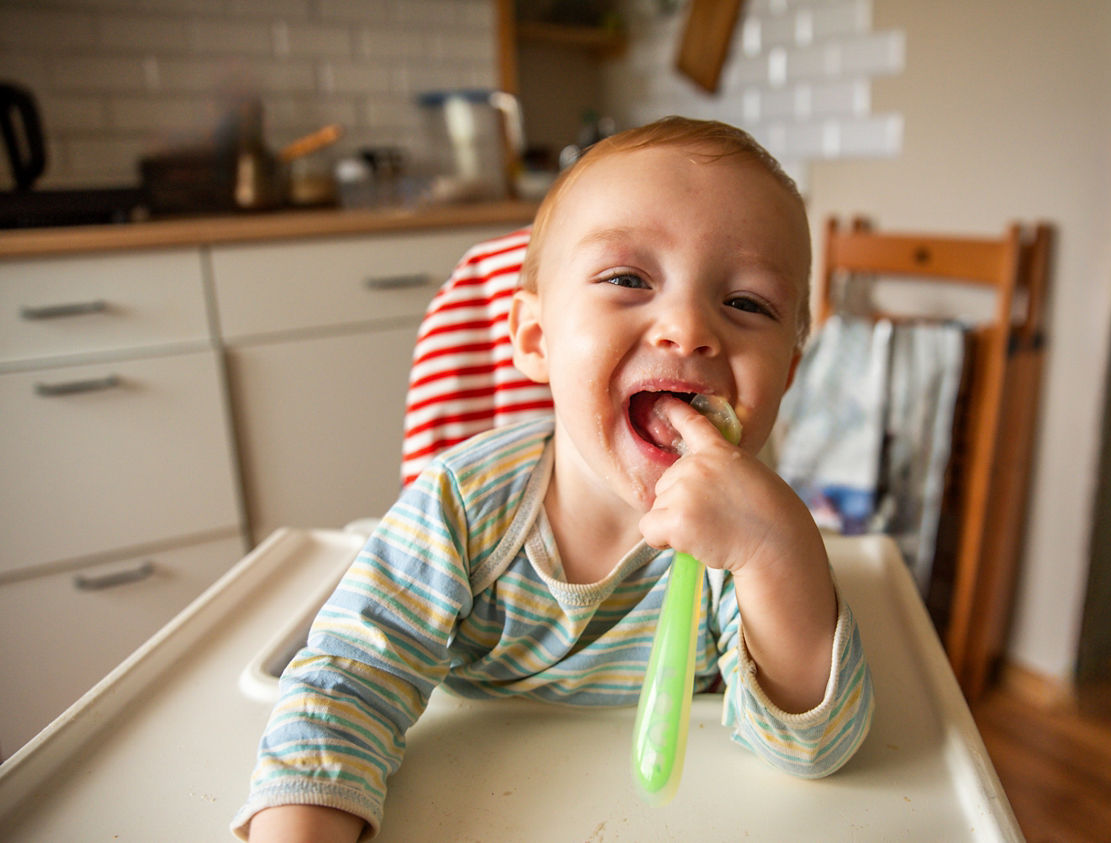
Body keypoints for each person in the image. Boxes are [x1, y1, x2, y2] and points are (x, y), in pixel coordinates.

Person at [233, 116, 874, 842]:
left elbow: (814, 745)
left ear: (787, 373)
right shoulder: (460, 509)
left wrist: (774, 553)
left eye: (747, 302)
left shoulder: (743, 541)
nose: (688, 328)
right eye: (629, 279)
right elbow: (344, 687)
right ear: (535, 339)